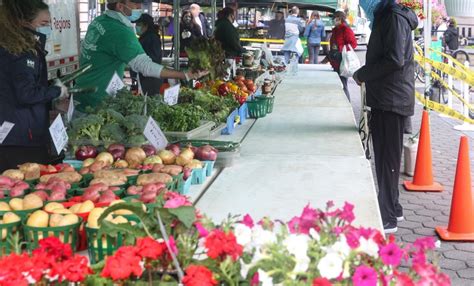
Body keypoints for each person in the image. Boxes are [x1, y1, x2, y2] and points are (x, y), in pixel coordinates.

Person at [353, 0, 418, 234]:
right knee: (386, 159)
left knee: (387, 161)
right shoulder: (387, 16)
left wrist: (363, 74)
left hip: (391, 100)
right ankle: (394, 207)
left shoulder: (392, 17)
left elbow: (394, 59)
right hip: (387, 97)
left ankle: (387, 217)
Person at [75, 0, 207, 111]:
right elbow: (145, 66)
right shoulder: (120, 31)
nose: (139, 7)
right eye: (135, 4)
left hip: (81, 92)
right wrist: (184, 74)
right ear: (120, 6)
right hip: (97, 101)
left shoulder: (99, 21)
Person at [0, 0, 69, 172]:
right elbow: (26, 94)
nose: (49, 28)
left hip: (12, 130)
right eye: (44, 24)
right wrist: (56, 92)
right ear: (24, 21)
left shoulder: (12, 45)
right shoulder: (21, 52)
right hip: (20, 135)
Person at [324, 10, 357, 101]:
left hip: (343, 62)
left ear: (339, 19)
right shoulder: (335, 30)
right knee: (338, 85)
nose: (333, 20)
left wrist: (340, 48)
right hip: (335, 61)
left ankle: (348, 105)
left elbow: (353, 44)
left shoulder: (346, 29)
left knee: (343, 85)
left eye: (335, 18)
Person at [132, 13, 162, 96]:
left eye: (138, 24)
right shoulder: (144, 37)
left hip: (150, 78)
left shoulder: (152, 38)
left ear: (146, 26)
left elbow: (155, 58)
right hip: (144, 76)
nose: (136, 27)